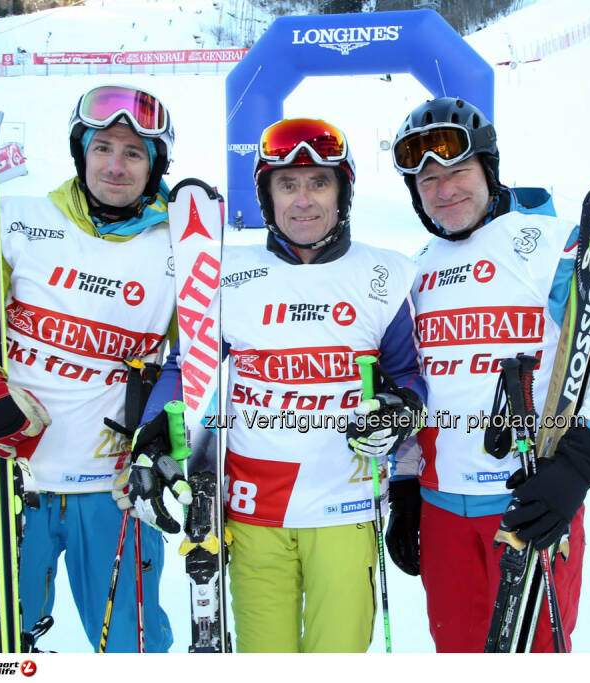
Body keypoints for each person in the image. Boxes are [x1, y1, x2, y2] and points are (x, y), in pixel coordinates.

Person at [141, 117, 427, 652]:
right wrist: (157, 426)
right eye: (287, 184)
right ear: (267, 196)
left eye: (319, 182)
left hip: (346, 508)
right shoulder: (227, 274)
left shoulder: (384, 274)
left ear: (342, 192)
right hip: (253, 513)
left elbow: (409, 374)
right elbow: (187, 368)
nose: (304, 200)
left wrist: (400, 409)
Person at [0, 84, 186, 652]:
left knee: (134, 645)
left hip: (114, 492)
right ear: (81, 151)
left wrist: (162, 425)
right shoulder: (16, 221)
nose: (116, 165)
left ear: (155, 165)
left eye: (134, 153)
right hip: (13, 480)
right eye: (103, 147)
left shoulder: (177, 253)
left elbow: (194, 362)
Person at [386, 97, 590, 652]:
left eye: (458, 171)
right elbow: (414, 385)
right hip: (440, 511)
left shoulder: (550, 245)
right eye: (427, 179)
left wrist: (580, 463)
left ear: (489, 168)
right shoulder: (417, 269)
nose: (445, 189)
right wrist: (404, 485)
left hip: (532, 501)